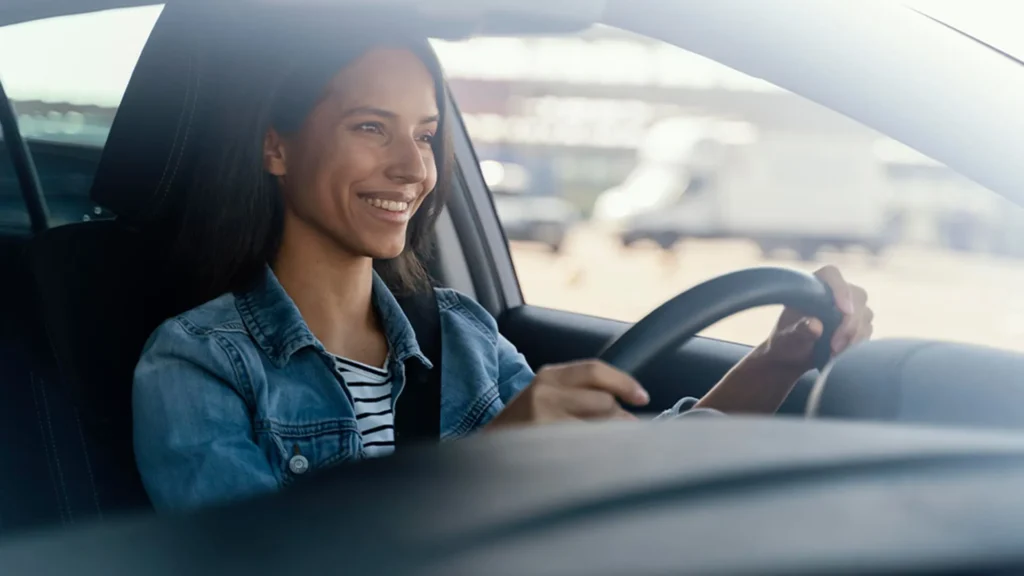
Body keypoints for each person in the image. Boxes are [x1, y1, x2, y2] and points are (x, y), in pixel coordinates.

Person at [132, 29, 873, 512]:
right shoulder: (198, 363)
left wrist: (779, 362)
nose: (411, 166)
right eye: (370, 128)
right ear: (276, 149)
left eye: (425, 135)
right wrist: (487, 461)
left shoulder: (461, 331)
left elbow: (636, 470)